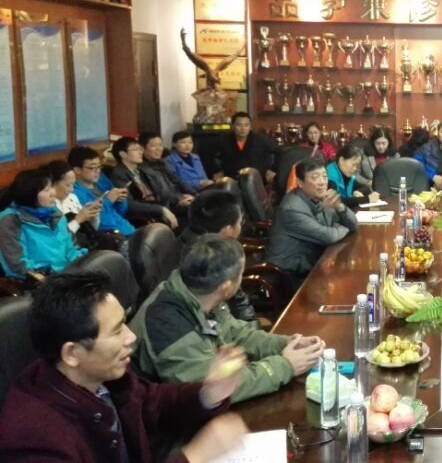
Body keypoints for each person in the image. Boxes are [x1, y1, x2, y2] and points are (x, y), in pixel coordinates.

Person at [0, 271, 249, 462]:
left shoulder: (102, 375)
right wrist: (193, 456)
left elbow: (153, 401)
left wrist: (207, 394)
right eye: (117, 330)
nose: (131, 337)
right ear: (72, 353)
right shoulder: (35, 440)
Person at [131, 235, 326, 403]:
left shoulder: (201, 293)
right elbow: (210, 389)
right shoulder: (165, 320)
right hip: (163, 425)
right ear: (226, 287)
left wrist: (284, 343)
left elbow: (236, 333)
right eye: (240, 274)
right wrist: (285, 366)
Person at [267, 158, 358, 278]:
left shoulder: (319, 196)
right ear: (300, 183)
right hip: (287, 274)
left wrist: (339, 207)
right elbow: (328, 236)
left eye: (324, 176)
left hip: (311, 263)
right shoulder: (292, 208)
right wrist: (344, 228)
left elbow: (354, 224)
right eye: (315, 177)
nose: (322, 182)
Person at [179, 189, 257, 323]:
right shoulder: (211, 261)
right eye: (240, 222)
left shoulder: (187, 242)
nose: (240, 228)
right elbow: (239, 308)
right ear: (227, 230)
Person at [0, 169, 87, 280]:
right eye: (46, 190)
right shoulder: (10, 220)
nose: (53, 193)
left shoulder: (56, 215)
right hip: (37, 282)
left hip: (66, 276)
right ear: (30, 194)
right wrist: (51, 277)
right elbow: (17, 265)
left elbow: (70, 250)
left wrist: (82, 263)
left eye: (51, 187)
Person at [46, 160, 128, 253]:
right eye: (67, 185)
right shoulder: (48, 207)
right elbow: (60, 239)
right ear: (52, 184)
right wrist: (78, 220)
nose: (71, 189)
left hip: (88, 245)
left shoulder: (72, 197)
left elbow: (90, 230)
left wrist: (93, 215)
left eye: (73, 184)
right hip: (73, 251)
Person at [109, 137, 180, 229]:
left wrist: (179, 198)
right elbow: (129, 204)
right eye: (135, 149)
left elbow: (159, 192)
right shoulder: (119, 174)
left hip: (156, 207)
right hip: (140, 216)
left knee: (190, 210)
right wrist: (160, 210)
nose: (140, 152)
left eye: (140, 149)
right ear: (123, 154)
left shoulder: (141, 169)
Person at [69, 146, 137, 237]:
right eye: (92, 168)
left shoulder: (102, 182)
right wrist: (108, 201)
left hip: (128, 230)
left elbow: (121, 212)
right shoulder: (75, 194)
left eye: (99, 166)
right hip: (112, 237)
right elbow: (98, 224)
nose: (97, 171)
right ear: (77, 170)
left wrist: (120, 200)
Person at [214, 112, 279, 184]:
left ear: (250, 126)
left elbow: (279, 152)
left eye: (246, 125)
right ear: (233, 126)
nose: (243, 128)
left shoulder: (260, 140)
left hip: (255, 180)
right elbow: (212, 157)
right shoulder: (223, 140)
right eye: (239, 125)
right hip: (230, 179)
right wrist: (217, 171)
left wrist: (272, 170)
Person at [141, 132, 198, 203]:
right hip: (167, 203)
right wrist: (180, 197)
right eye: (154, 146)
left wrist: (195, 194)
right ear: (143, 148)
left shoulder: (163, 163)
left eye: (160, 145)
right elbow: (160, 193)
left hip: (178, 197)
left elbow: (178, 181)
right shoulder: (143, 169)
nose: (158, 149)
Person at [326, 145, 380, 209]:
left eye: (357, 166)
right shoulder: (330, 175)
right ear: (341, 160)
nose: (355, 169)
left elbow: (366, 188)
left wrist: (357, 192)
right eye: (353, 164)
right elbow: (337, 201)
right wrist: (367, 199)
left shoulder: (348, 175)